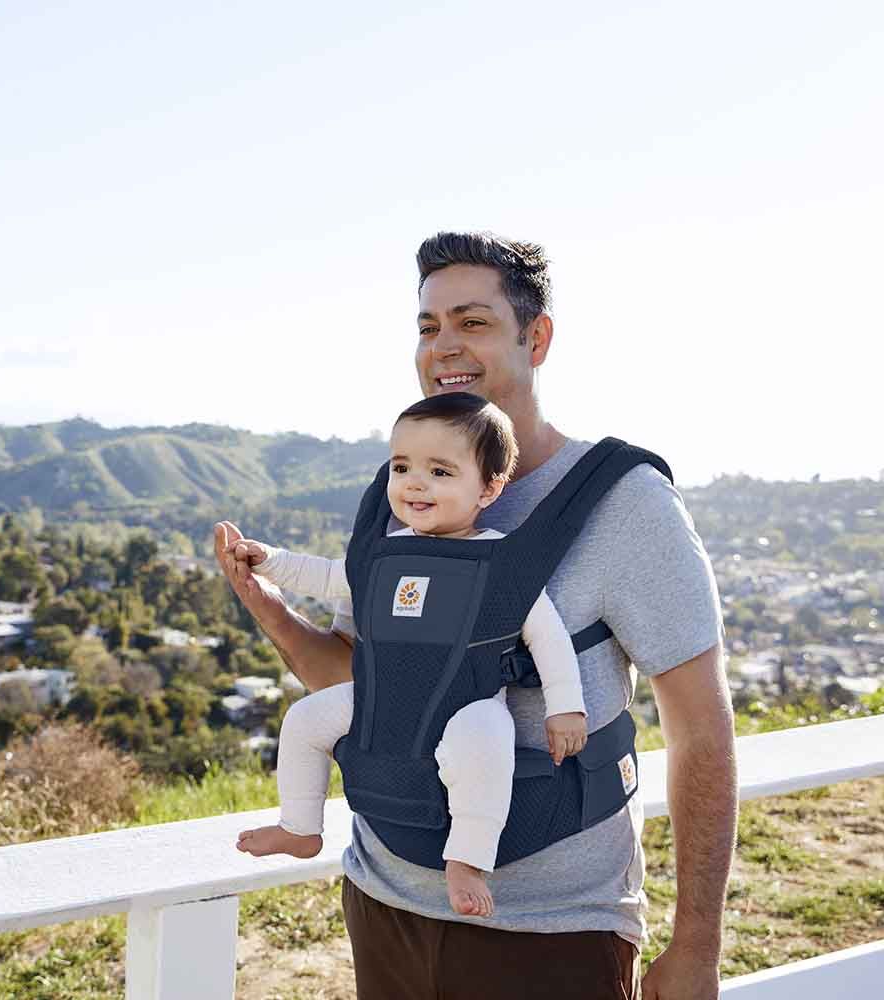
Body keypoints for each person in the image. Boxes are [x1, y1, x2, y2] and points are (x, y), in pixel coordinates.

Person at [216, 231, 737, 1000]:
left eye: (473, 322)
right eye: (429, 326)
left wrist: (697, 944)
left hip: (554, 930)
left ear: (537, 338)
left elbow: (701, 729)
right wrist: (273, 613)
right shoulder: (404, 496)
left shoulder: (625, 505)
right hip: (385, 898)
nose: (444, 347)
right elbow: (366, 685)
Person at [234, 391, 590, 919]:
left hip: (467, 704)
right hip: (382, 701)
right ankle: (300, 827)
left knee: (486, 743)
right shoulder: (387, 553)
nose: (414, 483)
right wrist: (269, 561)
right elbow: (329, 577)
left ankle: (467, 860)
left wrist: (566, 708)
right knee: (305, 719)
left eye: (440, 472)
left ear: (489, 488)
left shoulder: (499, 563)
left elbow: (549, 637)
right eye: (401, 467)